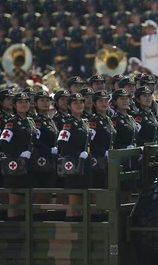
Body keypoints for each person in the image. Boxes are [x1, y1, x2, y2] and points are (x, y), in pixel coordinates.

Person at [0, 92, 36, 220]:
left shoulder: (30, 121)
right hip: (15, 165)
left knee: (25, 201)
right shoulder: (12, 122)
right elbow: (3, 142)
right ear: (15, 105)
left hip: (28, 165)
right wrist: (18, 152)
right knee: (15, 200)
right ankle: (12, 230)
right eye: (20, 102)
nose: (24, 104)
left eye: (26, 102)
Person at [57, 93, 90, 221]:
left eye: (81, 102)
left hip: (83, 165)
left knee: (81, 201)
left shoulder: (82, 122)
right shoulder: (69, 123)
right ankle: (71, 229)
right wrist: (77, 154)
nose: (79, 105)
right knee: (74, 201)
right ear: (69, 106)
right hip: (73, 164)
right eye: (76, 103)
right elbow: (62, 142)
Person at [31, 91, 58, 217]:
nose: (46, 103)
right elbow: (34, 141)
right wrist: (48, 150)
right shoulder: (37, 121)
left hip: (50, 161)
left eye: (47, 100)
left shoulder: (50, 120)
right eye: (42, 100)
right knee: (40, 196)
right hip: (39, 161)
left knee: (47, 195)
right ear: (35, 103)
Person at [90, 90, 116, 189]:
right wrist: (102, 152)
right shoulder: (94, 120)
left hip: (109, 160)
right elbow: (90, 141)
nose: (104, 104)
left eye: (105, 101)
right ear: (95, 104)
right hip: (98, 160)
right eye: (100, 101)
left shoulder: (108, 119)